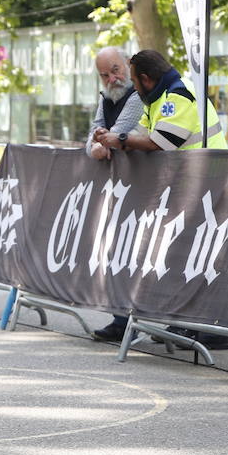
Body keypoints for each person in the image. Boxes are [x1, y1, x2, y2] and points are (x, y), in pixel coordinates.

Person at [92, 49, 228, 349]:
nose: (130, 85)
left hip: (207, 182)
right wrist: (113, 138)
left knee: (197, 258)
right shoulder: (157, 98)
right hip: (191, 185)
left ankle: (206, 331)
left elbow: (162, 142)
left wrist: (121, 140)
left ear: (145, 78)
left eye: (133, 79)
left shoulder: (178, 95)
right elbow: (141, 130)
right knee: (185, 258)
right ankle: (190, 326)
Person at [85, 46, 146, 343]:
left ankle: (135, 321)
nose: (112, 79)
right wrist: (98, 143)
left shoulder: (137, 96)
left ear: (128, 66)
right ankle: (122, 319)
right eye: (104, 75)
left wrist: (103, 142)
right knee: (119, 252)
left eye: (116, 70)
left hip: (145, 187)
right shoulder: (106, 99)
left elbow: (114, 133)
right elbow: (94, 138)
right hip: (121, 191)